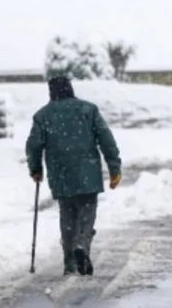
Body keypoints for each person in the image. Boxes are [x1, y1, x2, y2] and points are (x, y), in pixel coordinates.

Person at [25, 75, 122, 276]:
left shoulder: (43, 116)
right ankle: (82, 245)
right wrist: (114, 167)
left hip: (61, 173)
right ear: (70, 89)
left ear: (51, 92)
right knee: (87, 210)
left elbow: (34, 145)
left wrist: (35, 169)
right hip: (88, 171)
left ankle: (70, 261)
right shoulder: (88, 110)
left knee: (67, 213)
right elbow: (106, 139)